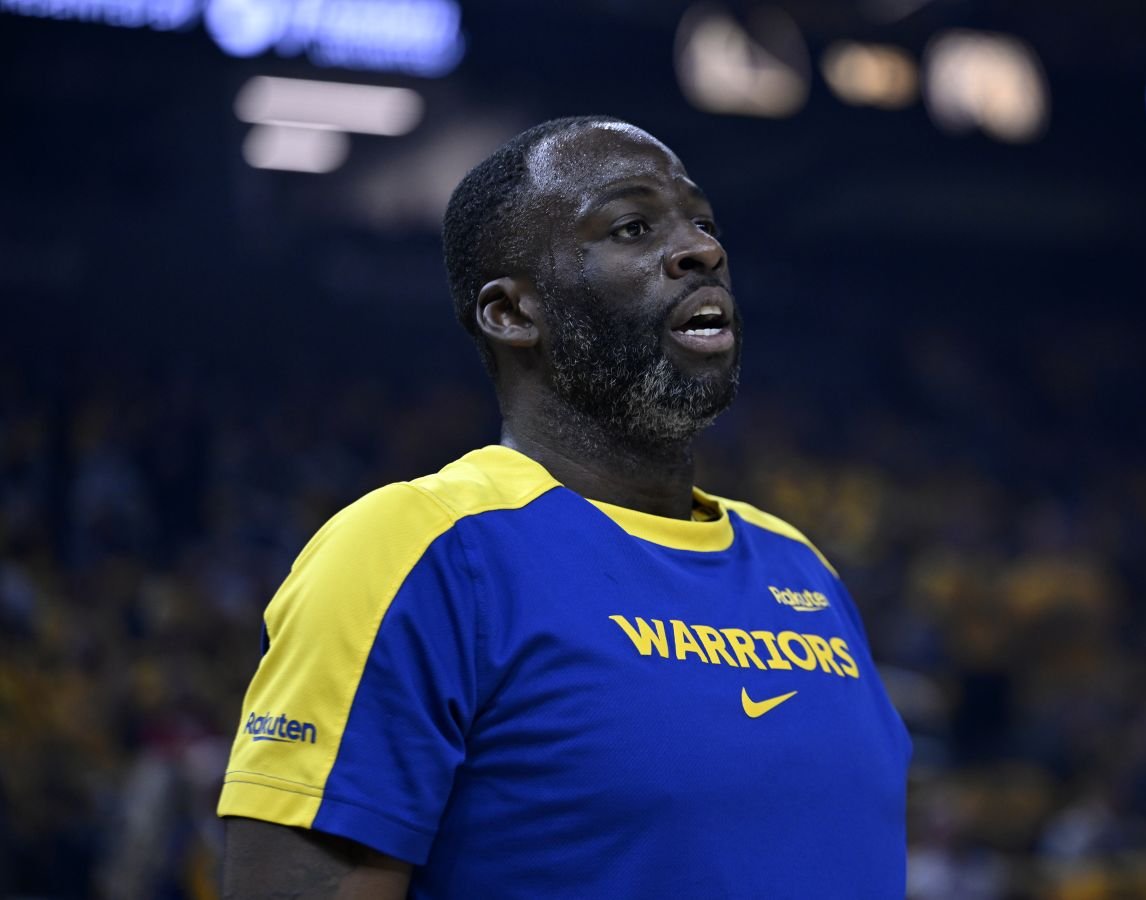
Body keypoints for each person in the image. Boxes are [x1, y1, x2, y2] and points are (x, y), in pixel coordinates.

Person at [218, 116, 911, 898]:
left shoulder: (799, 564)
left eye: (704, 224)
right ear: (512, 314)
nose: (702, 250)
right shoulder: (420, 552)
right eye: (632, 227)